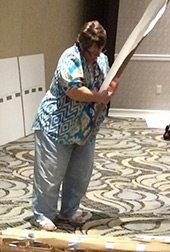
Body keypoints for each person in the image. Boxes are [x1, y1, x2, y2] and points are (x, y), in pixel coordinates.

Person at [31, 21, 118, 232]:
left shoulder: (102, 59)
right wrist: (99, 97)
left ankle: (69, 211)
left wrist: (110, 89)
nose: (96, 56)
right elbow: (74, 90)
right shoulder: (70, 58)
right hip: (57, 124)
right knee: (51, 174)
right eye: (92, 52)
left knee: (80, 174)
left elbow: (107, 83)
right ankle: (42, 214)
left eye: (99, 51)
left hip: (85, 128)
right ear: (82, 46)